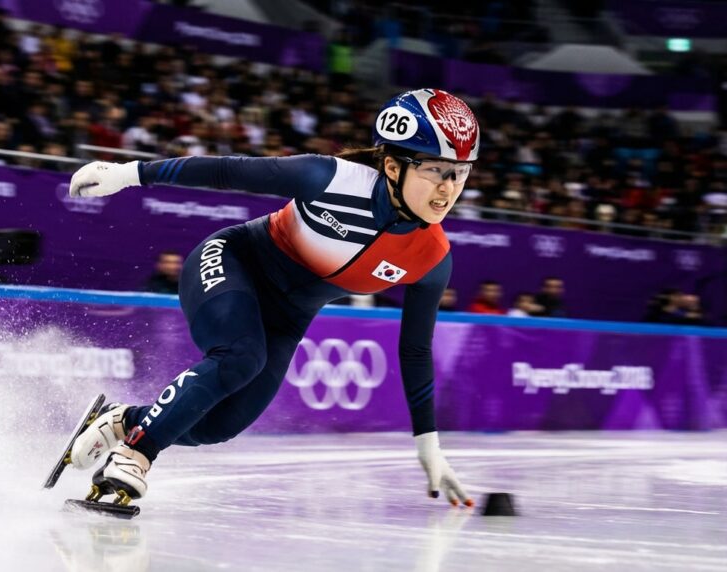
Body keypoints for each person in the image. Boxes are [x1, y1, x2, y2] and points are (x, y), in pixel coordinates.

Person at [65, 88, 479, 509]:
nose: (448, 189)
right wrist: (128, 174)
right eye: (435, 170)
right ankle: (137, 453)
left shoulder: (433, 258)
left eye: (460, 174)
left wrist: (428, 445)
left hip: (286, 318)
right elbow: (229, 171)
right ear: (392, 166)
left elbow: (415, 350)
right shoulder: (330, 178)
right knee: (241, 357)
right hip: (233, 260)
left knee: (221, 425)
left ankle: (123, 420)